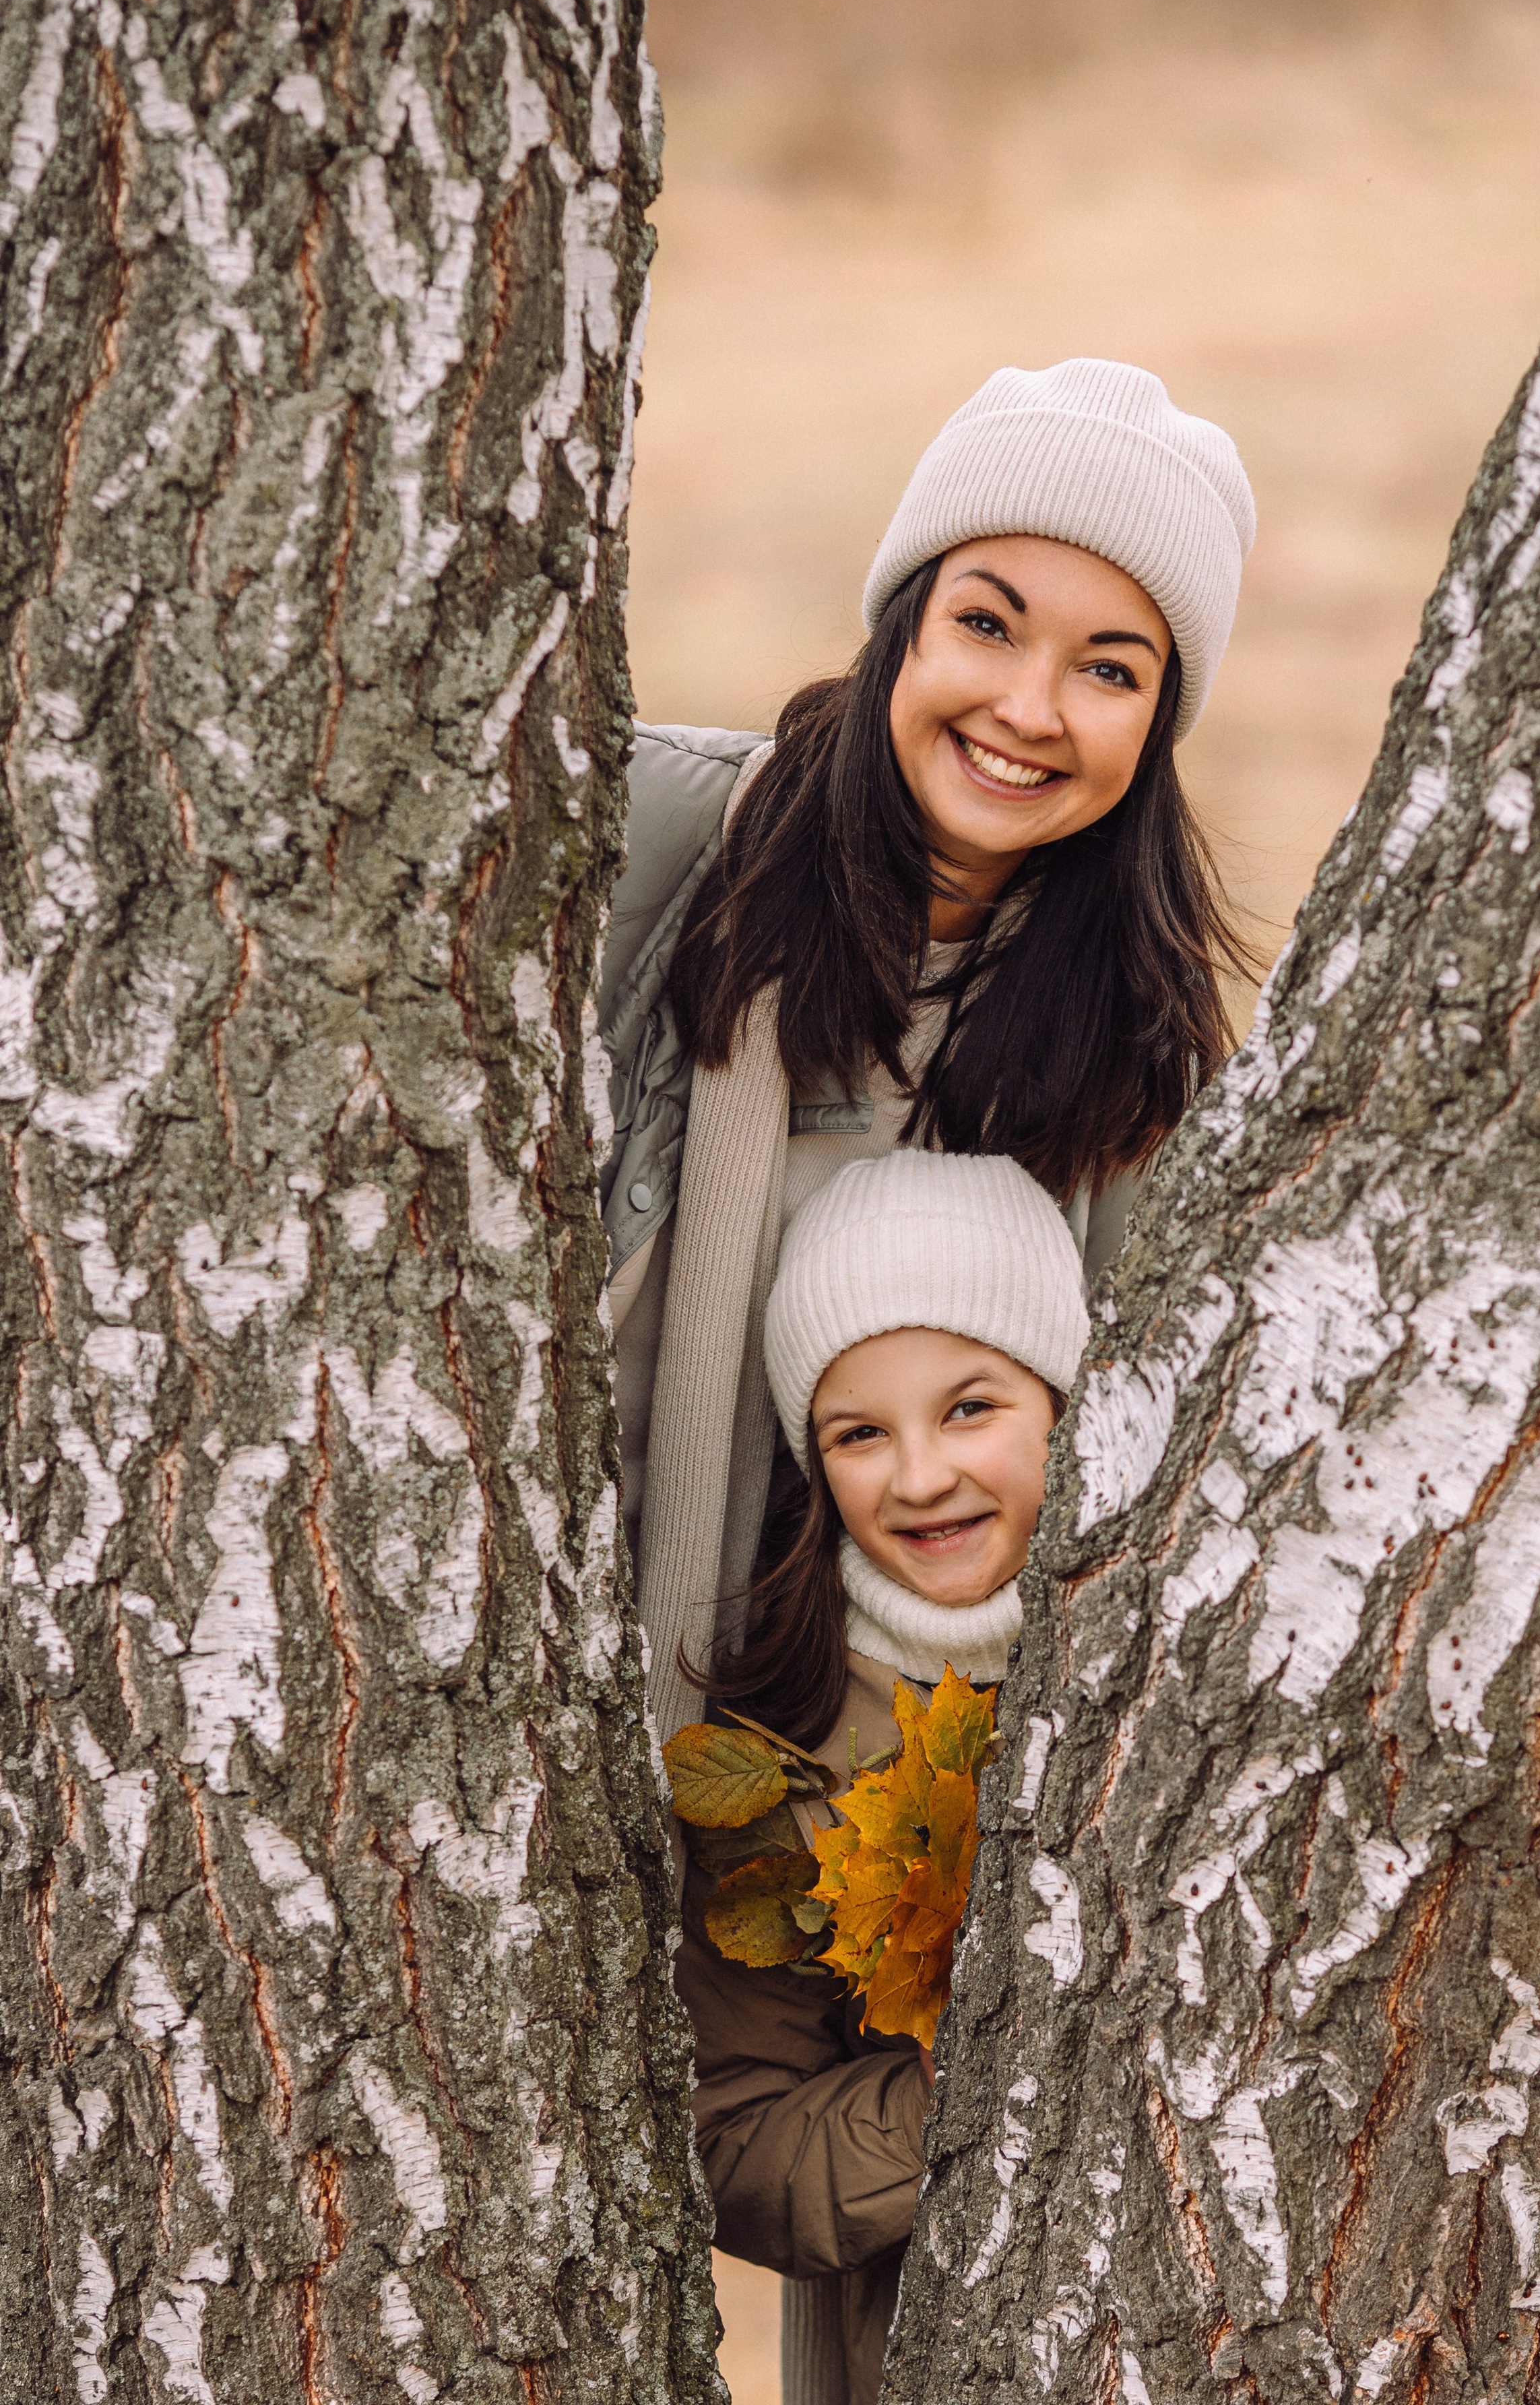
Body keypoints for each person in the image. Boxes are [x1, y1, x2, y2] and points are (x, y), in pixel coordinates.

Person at [598, 356, 1256, 1761]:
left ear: (1152, 726)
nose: (1029, 708)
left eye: (1107, 668)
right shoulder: (646, 838)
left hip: (841, 1774)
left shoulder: (1135, 1048)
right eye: (986, 624)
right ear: (902, 625)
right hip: (540, 1680)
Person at [674, 1150, 1091, 2405]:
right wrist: (977, 2088)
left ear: (1064, 1397)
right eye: (861, 1433)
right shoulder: (792, 1755)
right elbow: (732, 2144)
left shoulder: (1187, 1658)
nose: (918, 1478)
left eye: (970, 1408)